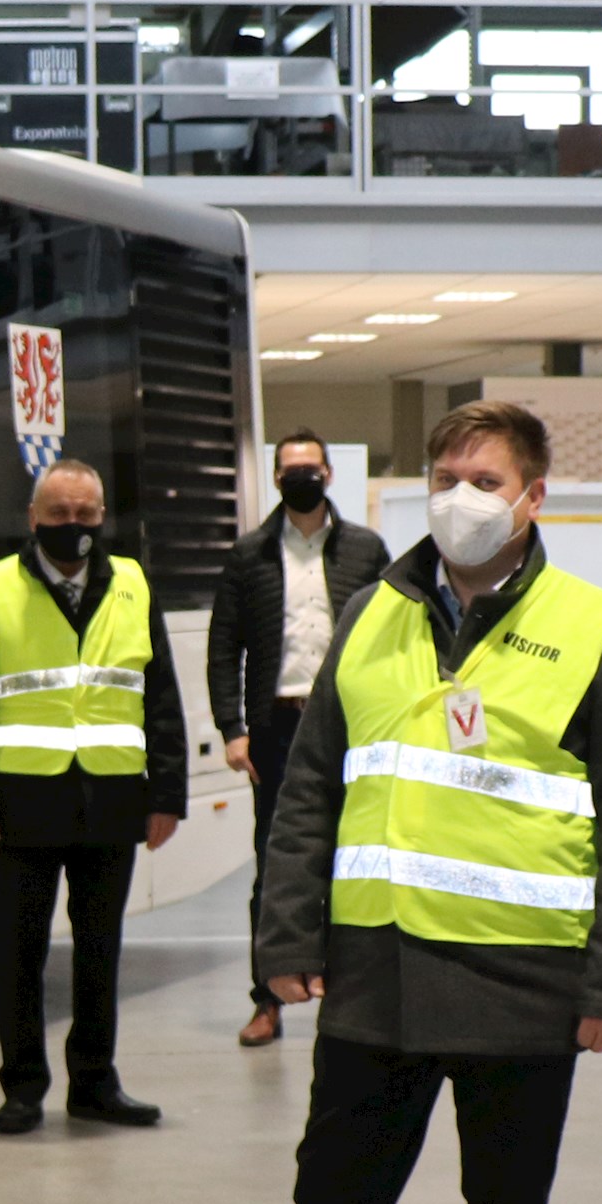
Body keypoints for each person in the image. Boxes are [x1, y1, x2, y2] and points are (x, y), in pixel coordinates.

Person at [168, 398, 602, 1204]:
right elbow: (309, 790)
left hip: (522, 982)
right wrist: (286, 935)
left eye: (484, 479)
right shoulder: (371, 612)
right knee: (332, 1203)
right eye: (444, 474)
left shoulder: (598, 630)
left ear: (535, 498)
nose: (460, 497)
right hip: (374, 973)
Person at [0, 456, 188, 1133]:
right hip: (20, 803)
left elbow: (160, 695)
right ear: (33, 517)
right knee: (18, 955)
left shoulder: (133, 585)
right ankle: (22, 1088)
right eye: (59, 514)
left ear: (101, 517)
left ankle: (94, 1082)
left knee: (100, 950)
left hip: (111, 801)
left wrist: (167, 791)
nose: (72, 526)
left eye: (85, 515)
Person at [210, 428, 391, 1048]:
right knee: (277, 862)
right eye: (289, 469)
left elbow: (397, 635)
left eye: (310, 468)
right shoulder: (250, 554)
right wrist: (232, 729)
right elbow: (222, 647)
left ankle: (352, 993)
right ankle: (268, 1000)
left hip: (352, 722)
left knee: (359, 858)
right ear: (277, 477)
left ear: (329, 474)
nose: (300, 478)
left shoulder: (366, 549)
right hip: (275, 725)